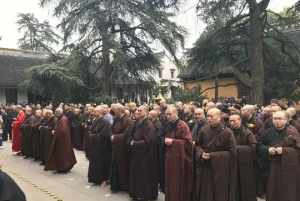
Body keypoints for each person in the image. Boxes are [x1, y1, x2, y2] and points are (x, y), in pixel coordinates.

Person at [194, 108, 236, 201]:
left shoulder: (227, 132)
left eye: (211, 116)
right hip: (206, 166)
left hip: (221, 169)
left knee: (219, 193)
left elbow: (232, 152)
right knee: (205, 192)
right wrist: (201, 154)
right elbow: (197, 145)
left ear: (219, 117)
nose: (209, 119)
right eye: (207, 116)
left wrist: (213, 156)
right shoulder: (203, 130)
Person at [257, 111, 300, 201]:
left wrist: (284, 151)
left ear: (286, 120)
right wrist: (267, 150)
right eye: (275, 118)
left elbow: (297, 149)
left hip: (288, 169)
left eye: (280, 119)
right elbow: (259, 146)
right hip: (271, 167)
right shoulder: (267, 132)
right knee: (273, 191)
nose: (277, 121)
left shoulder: (292, 132)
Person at [128, 106, 158, 201]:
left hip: (145, 155)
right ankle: (136, 193)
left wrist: (135, 143)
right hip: (136, 154)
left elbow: (149, 141)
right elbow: (131, 134)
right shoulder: (137, 122)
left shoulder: (149, 125)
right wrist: (130, 140)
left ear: (146, 112)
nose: (138, 111)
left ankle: (144, 195)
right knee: (136, 174)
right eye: (137, 110)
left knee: (144, 176)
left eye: (140, 110)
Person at [164, 105, 193, 201]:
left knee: (177, 183)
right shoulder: (169, 125)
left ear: (176, 114)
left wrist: (173, 142)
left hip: (180, 159)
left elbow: (188, 143)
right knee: (170, 182)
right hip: (170, 158)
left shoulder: (182, 125)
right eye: (166, 114)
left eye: (169, 114)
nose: (167, 116)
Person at [229, 114, 257, 201]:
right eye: (230, 121)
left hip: (245, 165)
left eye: (234, 120)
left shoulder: (247, 132)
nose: (232, 123)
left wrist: (237, 148)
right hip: (232, 163)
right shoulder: (228, 132)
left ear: (240, 120)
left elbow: (253, 147)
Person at [110, 104, 134, 192]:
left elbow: (127, 134)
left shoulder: (128, 121)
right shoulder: (116, 119)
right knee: (115, 167)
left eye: (115, 111)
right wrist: (112, 135)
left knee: (123, 167)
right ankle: (116, 185)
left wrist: (115, 137)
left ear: (119, 111)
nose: (113, 112)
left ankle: (124, 186)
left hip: (123, 148)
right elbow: (111, 129)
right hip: (115, 147)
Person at [45, 108, 77, 173]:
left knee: (63, 155)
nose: (55, 114)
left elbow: (63, 130)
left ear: (59, 112)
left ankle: (63, 168)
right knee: (61, 155)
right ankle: (61, 167)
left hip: (63, 141)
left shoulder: (63, 119)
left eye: (56, 112)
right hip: (61, 140)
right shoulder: (60, 118)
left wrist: (55, 132)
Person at [87, 106, 112, 185]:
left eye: (96, 111)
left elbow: (104, 135)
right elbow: (91, 129)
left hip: (101, 147)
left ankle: (100, 179)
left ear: (100, 112)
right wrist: (91, 134)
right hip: (94, 146)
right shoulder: (95, 120)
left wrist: (93, 136)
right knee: (93, 162)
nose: (94, 113)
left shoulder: (105, 122)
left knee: (100, 164)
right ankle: (93, 178)